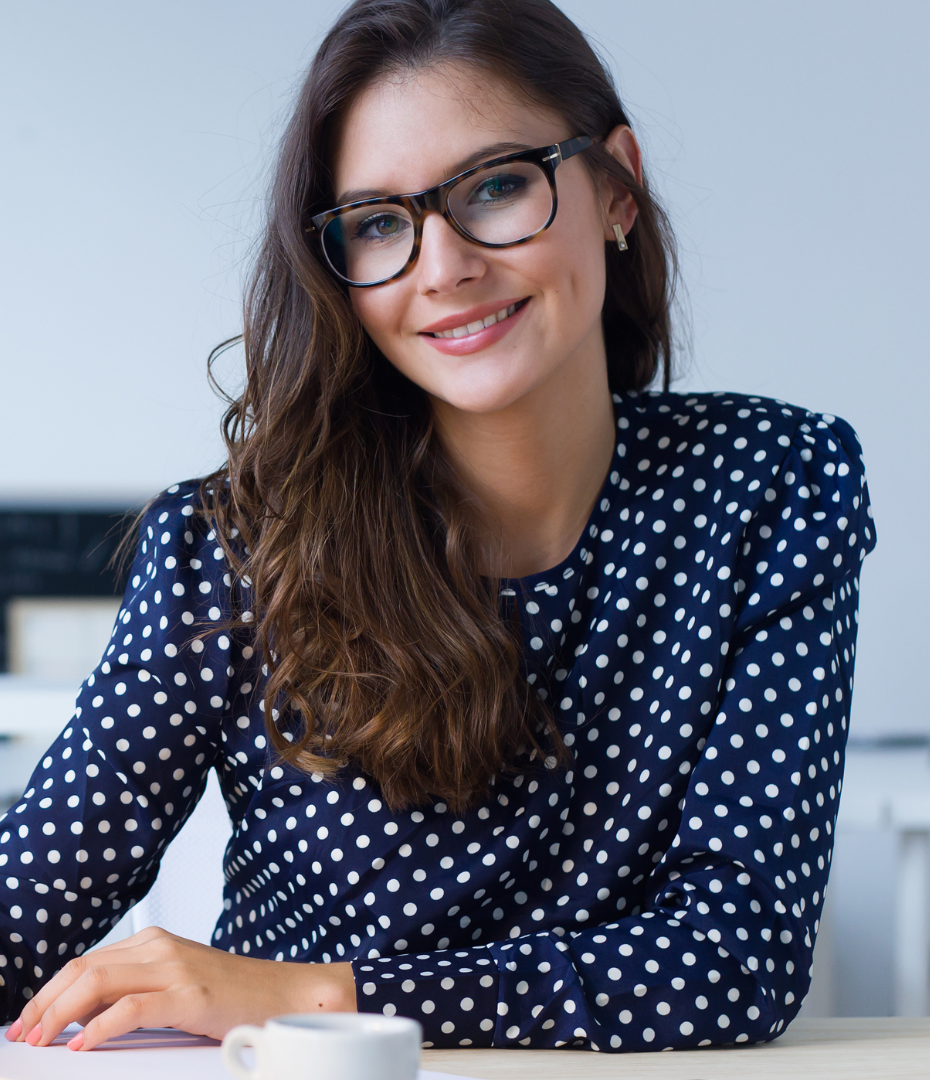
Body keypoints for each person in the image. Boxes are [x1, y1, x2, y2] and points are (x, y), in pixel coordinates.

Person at [1, 0, 875, 1056]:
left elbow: (735, 958)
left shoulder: (769, 490)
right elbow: (22, 912)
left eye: (497, 186)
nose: (442, 264)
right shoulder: (234, 549)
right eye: (377, 222)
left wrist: (315, 994)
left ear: (618, 187)